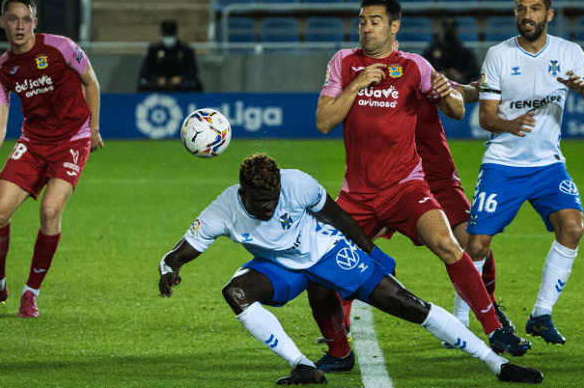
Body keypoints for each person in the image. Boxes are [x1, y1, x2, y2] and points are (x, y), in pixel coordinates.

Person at [158, 153, 544, 385]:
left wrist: (373, 254)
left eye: (273, 198)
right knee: (236, 292)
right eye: (260, 201)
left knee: (409, 305)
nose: (269, 207)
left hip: (329, 253)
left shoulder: (297, 184)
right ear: (243, 192)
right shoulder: (223, 209)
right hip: (280, 266)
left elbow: (340, 218)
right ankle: (302, 366)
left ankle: (497, 364)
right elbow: (178, 252)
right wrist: (169, 269)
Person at [309, 0, 530, 371]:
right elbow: (324, 122)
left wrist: (447, 96)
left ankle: (495, 328)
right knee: (322, 269)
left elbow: (456, 109)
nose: (366, 28)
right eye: (362, 21)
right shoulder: (344, 62)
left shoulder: (414, 66)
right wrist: (356, 85)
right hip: (357, 195)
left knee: (449, 244)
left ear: (394, 26)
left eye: (375, 21)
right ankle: (339, 350)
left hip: (407, 187)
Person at [464, 0, 584, 346]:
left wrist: (581, 89)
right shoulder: (499, 54)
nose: (527, 15)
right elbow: (485, 116)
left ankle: (541, 314)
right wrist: (510, 125)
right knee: (477, 244)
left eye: (534, 8)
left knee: (572, 228)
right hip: (503, 165)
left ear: (549, 14)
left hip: (548, 166)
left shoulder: (570, 52)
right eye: (521, 9)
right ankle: (459, 322)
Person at [0, 0, 104, 318]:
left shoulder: (61, 47)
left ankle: (31, 293)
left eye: (26, 19)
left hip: (72, 139)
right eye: (13, 19)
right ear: (2, 23)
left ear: (35, 22)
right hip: (34, 142)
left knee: (50, 211)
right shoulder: (2, 69)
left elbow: (90, 82)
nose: (20, 26)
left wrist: (94, 128)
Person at [138, 19, 203, 92]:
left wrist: (181, 78)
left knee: (195, 84)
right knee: (143, 83)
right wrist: (157, 79)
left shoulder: (186, 49)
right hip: (158, 84)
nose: (168, 38)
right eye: (166, 34)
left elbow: (193, 70)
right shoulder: (154, 49)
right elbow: (145, 71)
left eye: (170, 34)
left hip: (181, 85)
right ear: (162, 33)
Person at [422, 17, 481, 84]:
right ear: (441, 30)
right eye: (446, 30)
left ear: (457, 31)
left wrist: (460, 76)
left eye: (452, 30)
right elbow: (421, 71)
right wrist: (436, 75)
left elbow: (476, 73)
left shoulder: (465, 53)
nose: (449, 33)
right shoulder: (431, 51)